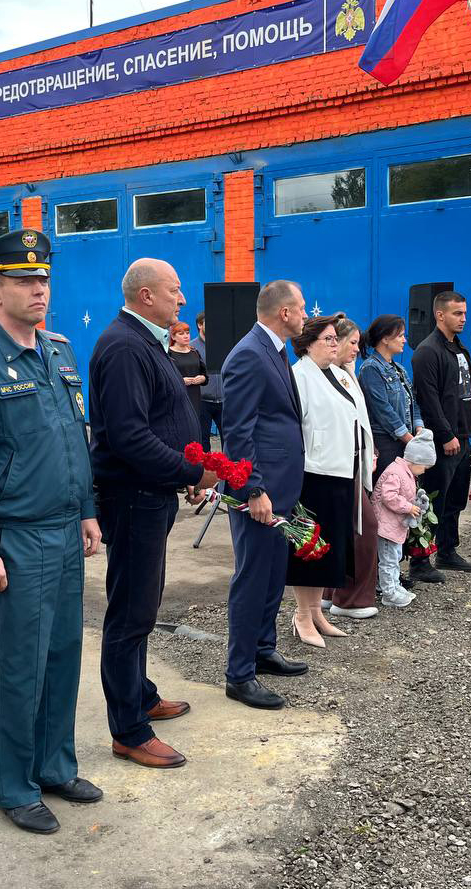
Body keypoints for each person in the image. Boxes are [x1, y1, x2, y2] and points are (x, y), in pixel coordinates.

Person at [0, 229, 103, 835]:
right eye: (25, 280)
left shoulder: (60, 351)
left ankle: (54, 766)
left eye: (44, 279)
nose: (39, 290)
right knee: (17, 666)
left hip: (64, 530)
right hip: (16, 537)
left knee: (61, 657)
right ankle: (13, 785)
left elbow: (75, 439)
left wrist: (86, 509)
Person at [89, 260, 217, 767]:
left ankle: (140, 696)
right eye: (174, 290)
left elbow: (160, 420)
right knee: (130, 612)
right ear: (145, 295)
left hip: (151, 493)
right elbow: (129, 437)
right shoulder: (125, 346)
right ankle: (129, 730)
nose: (181, 299)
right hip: (132, 497)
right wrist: (191, 473)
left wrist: (182, 473)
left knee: (143, 605)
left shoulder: (145, 341)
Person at [222, 279, 309, 710]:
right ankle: (239, 675)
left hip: (281, 489)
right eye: (302, 308)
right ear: (284, 313)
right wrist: (252, 488)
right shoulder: (249, 355)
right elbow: (237, 431)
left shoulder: (274, 350)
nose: (307, 315)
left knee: (274, 575)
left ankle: (262, 648)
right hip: (260, 494)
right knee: (253, 578)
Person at [286, 315, 361, 647]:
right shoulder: (299, 376)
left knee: (329, 548)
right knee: (309, 549)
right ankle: (302, 615)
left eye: (335, 338)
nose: (335, 344)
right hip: (313, 474)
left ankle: (317, 612)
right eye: (328, 339)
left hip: (340, 469)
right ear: (308, 343)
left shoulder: (337, 374)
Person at [411, 290, 471, 581]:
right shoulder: (427, 351)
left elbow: (469, 392)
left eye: (464, 313)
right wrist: (445, 435)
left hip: (464, 436)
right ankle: (420, 562)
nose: (463, 318)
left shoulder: (460, 349)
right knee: (433, 500)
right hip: (444, 442)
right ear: (440, 315)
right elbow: (428, 400)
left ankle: (447, 551)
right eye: (457, 313)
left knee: (455, 500)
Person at [323, 317, 381, 620]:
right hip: (339, 462)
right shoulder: (328, 375)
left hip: (352, 459)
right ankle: (351, 597)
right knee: (362, 527)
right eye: (353, 342)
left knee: (345, 527)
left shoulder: (346, 374)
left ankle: (331, 591)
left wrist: (370, 449)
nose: (357, 349)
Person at [373, 430, 437, 607]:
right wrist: (409, 507)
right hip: (386, 525)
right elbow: (389, 496)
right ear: (415, 460)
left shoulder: (405, 472)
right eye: (424, 467)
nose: (423, 471)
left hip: (394, 524)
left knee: (394, 556)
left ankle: (393, 585)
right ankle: (389, 592)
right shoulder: (396, 473)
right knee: (388, 560)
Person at [357, 314, 423, 482]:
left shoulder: (399, 368)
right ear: (385, 339)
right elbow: (383, 410)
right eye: (400, 336)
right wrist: (408, 438)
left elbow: (412, 401)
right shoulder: (371, 368)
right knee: (387, 491)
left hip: (405, 441)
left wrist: (419, 428)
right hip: (386, 444)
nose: (404, 340)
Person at [167, 320, 207, 443]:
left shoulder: (194, 352)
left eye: (187, 333)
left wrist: (202, 378)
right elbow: (164, 378)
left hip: (195, 397)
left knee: (196, 432)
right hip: (177, 399)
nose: (186, 336)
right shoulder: (168, 353)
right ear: (173, 337)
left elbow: (205, 375)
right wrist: (180, 381)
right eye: (181, 333)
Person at [195, 311, 224, 448]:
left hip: (224, 401)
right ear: (200, 325)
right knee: (203, 441)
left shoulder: (222, 345)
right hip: (202, 402)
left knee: (229, 438)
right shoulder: (192, 348)